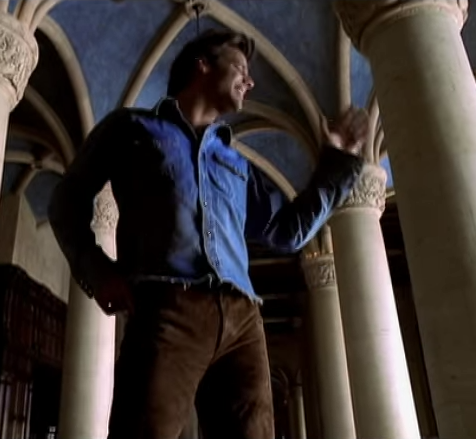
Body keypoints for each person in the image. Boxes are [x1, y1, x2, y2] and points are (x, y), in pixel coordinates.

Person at [48, 29, 367, 439]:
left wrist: (337, 164)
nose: (250, 81)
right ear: (202, 65)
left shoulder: (234, 162)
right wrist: (98, 271)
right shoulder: (131, 129)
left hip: (243, 319)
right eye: (240, 68)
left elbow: (288, 231)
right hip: (168, 309)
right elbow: (67, 201)